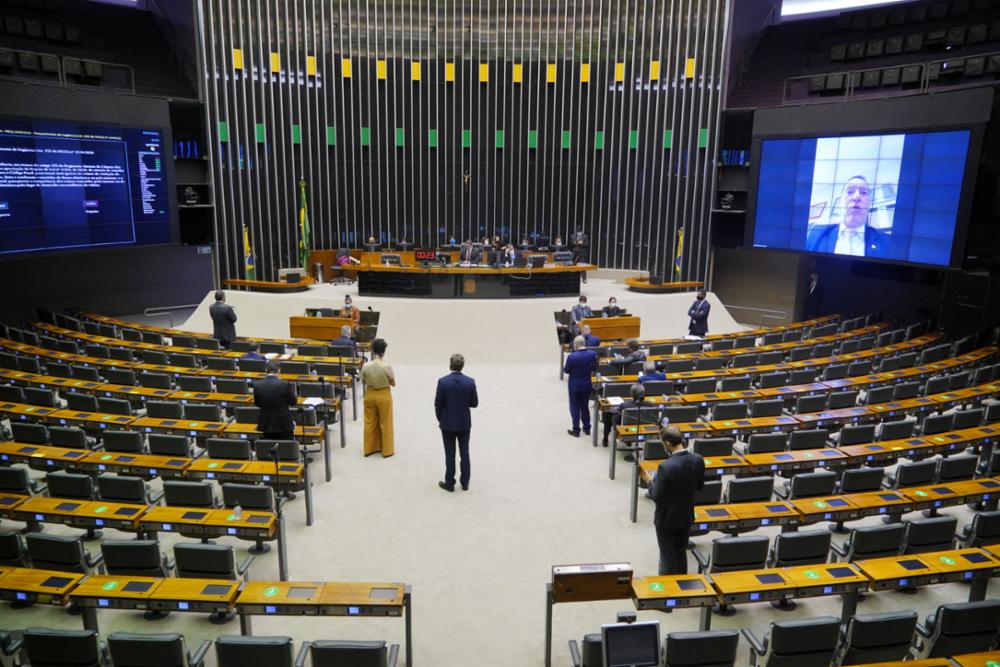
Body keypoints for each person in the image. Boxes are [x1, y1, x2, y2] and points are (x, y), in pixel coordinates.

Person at [648, 424, 705, 575]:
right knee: (681, 554)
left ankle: (667, 593)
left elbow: (656, 496)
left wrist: (650, 482)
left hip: (666, 519)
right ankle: (681, 587)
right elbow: (699, 486)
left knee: (667, 558)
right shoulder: (698, 459)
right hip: (686, 515)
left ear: (667, 444)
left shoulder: (665, 467)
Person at [805, 175, 888, 258]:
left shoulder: (887, 241)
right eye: (850, 192)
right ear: (839, 203)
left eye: (863, 192)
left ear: (869, 204)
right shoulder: (816, 233)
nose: (856, 197)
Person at [435, 353, 479, 492]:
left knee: (450, 453)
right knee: (464, 452)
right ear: (462, 366)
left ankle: (450, 483)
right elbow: (474, 403)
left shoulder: (443, 382)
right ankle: (465, 482)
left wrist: (441, 419)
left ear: (450, 365)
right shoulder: (470, 382)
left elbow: (438, 404)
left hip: (447, 423)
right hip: (464, 423)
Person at [360, 338, 395, 457]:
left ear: (373, 350)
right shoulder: (387, 366)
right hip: (384, 395)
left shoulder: (366, 365)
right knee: (385, 422)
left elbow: (363, 380)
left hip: (370, 394)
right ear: (384, 351)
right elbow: (393, 383)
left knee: (369, 422)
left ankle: (369, 449)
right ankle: (387, 450)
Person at [253, 359, 296, 440]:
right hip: (283, 424)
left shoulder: (257, 385)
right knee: (286, 448)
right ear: (279, 370)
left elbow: (257, 403)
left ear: (266, 370)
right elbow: (293, 402)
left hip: (266, 423)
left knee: (269, 447)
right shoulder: (285, 384)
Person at [563, 336, 597, 437]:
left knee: (575, 408)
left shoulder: (572, 356)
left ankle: (576, 430)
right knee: (585, 407)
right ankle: (587, 429)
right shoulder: (593, 354)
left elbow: (566, 370)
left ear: (576, 344)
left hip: (574, 386)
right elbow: (594, 367)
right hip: (587, 385)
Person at [601, 382, 648, 454]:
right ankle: (628, 442)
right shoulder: (650, 404)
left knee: (608, 415)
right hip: (644, 427)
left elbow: (617, 418)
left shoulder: (625, 405)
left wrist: (613, 411)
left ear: (632, 394)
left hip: (628, 426)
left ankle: (605, 440)